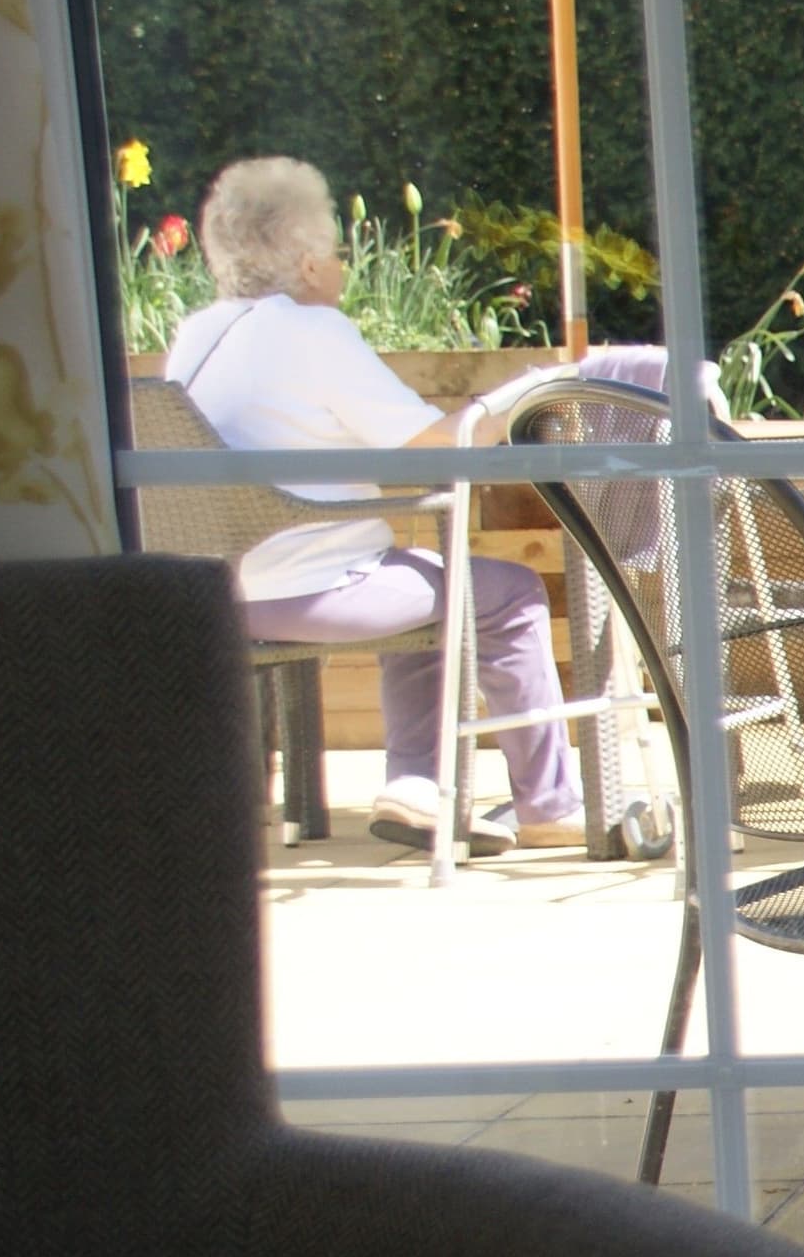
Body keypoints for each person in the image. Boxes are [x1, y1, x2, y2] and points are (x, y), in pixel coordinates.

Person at [168, 156, 585, 856]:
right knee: (507, 593)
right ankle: (549, 805)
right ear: (305, 264)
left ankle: (415, 789)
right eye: (334, 250)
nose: (341, 266)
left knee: (420, 578)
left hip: (213, 592)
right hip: (313, 593)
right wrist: (516, 398)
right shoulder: (310, 333)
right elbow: (435, 449)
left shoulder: (196, 335)